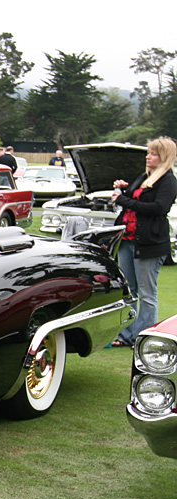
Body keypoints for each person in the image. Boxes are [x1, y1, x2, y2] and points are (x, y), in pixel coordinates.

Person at [110, 137, 177, 347]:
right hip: (129, 240)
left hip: (150, 243)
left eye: (153, 154)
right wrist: (125, 189)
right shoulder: (145, 177)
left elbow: (159, 208)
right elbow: (135, 198)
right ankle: (126, 335)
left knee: (147, 293)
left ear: (164, 157)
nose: (148, 156)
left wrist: (122, 199)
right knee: (129, 291)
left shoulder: (168, 180)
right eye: (149, 152)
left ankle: (144, 336)